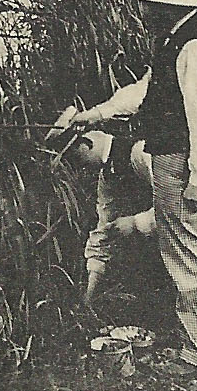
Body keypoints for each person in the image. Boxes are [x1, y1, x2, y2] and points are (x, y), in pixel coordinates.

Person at [53, 0, 197, 377]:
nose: (142, 10)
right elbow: (147, 89)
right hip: (170, 157)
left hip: (182, 162)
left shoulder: (195, 47)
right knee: (186, 252)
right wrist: (90, 116)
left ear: (165, 4)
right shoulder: (176, 37)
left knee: (189, 256)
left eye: (147, 2)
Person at [58, 125, 154, 305]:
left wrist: (135, 223)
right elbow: (104, 229)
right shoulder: (108, 176)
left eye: (77, 159)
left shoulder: (143, 153)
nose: (81, 170)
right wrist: (89, 297)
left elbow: (178, 207)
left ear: (86, 145)